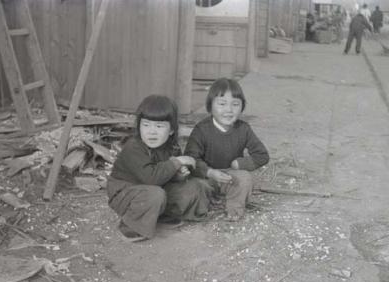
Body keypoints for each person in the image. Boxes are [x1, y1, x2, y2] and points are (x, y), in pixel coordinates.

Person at [107, 95, 211, 242]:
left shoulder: (172, 147)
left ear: (171, 131)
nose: (152, 132)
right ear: (139, 126)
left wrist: (179, 175)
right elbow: (151, 177)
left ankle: (160, 215)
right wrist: (177, 162)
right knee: (155, 194)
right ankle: (130, 225)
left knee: (194, 186)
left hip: (154, 190)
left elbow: (167, 174)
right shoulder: (133, 147)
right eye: (146, 125)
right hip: (125, 193)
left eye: (159, 126)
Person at [184, 78, 270, 221]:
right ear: (210, 107)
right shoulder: (202, 129)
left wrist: (239, 164)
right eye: (222, 104)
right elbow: (191, 159)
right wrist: (209, 172)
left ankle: (234, 210)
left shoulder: (243, 129)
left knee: (245, 179)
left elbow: (262, 155)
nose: (229, 110)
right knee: (193, 188)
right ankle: (210, 204)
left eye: (235, 104)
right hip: (205, 177)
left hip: (229, 177)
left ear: (242, 107)